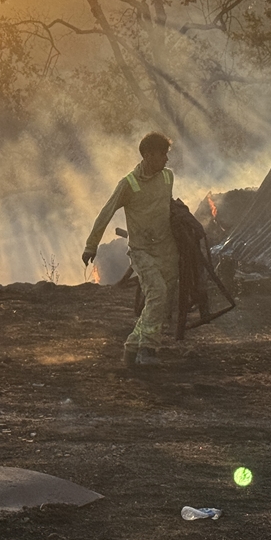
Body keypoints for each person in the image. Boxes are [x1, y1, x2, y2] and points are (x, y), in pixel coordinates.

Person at [83, 132, 177, 368]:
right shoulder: (128, 184)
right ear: (148, 155)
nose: (166, 159)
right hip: (141, 251)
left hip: (167, 251)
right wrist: (91, 245)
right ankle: (148, 349)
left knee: (161, 300)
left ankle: (133, 346)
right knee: (157, 293)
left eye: (167, 154)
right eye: (162, 155)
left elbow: (169, 208)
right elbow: (106, 213)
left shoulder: (168, 177)